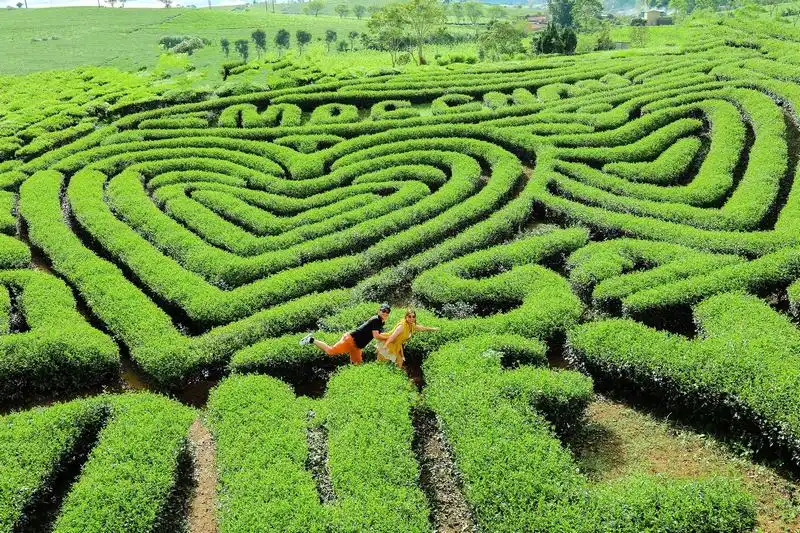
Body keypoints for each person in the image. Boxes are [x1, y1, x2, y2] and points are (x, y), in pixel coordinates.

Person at [299, 303, 391, 365]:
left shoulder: (380, 322)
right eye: (383, 311)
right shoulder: (376, 319)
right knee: (331, 351)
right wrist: (389, 338)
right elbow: (376, 336)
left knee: (357, 365)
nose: (385, 313)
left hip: (357, 346)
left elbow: (377, 335)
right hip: (350, 340)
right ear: (378, 311)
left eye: (387, 312)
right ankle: (311, 339)